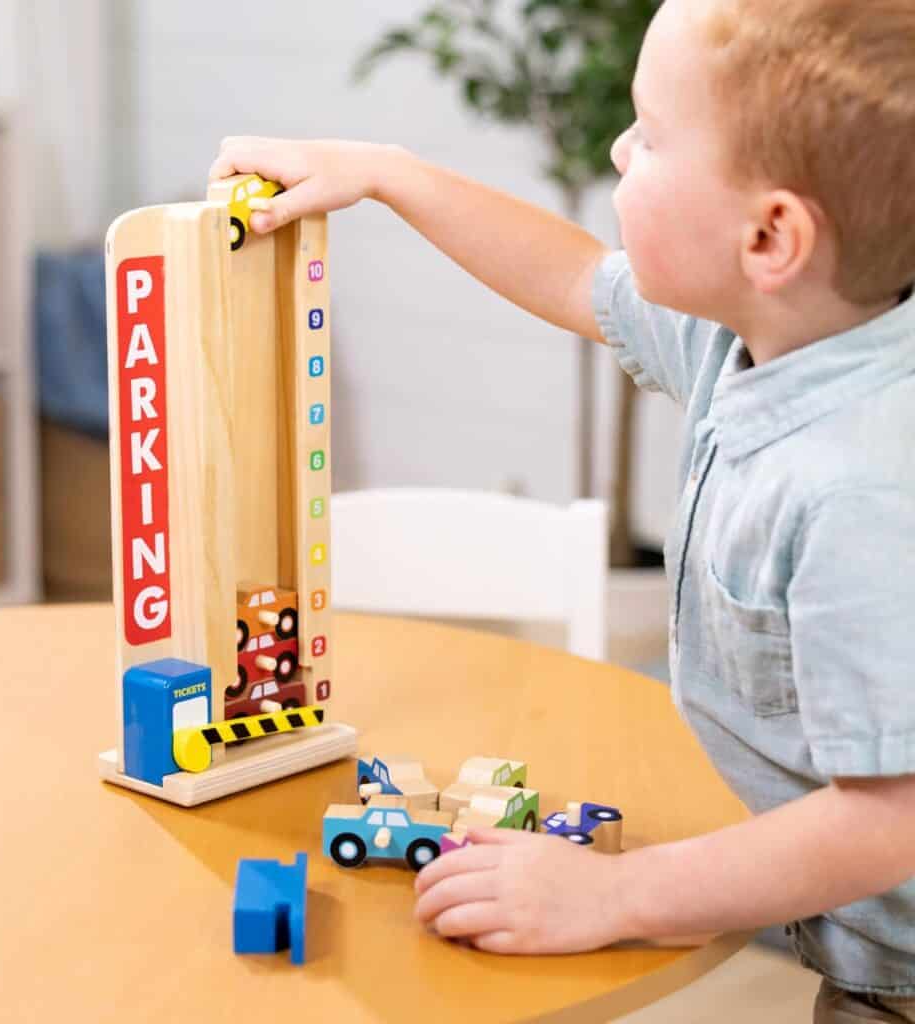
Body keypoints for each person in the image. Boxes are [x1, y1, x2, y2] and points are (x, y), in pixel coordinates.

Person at [209, 0, 915, 1017]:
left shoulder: (859, 486)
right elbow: (577, 276)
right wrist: (389, 173)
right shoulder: (770, 329)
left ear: (769, 234)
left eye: (651, 134)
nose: (620, 151)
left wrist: (621, 892)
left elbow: (890, 820)